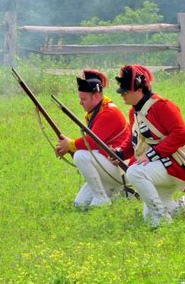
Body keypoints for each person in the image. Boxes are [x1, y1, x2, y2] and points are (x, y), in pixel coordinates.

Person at [113, 64, 185, 226]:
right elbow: (135, 139)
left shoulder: (163, 106)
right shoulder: (134, 111)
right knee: (148, 218)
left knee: (134, 172)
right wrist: (121, 153)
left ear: (139, 89)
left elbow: (180, 134)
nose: (123, 95)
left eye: (126, 91)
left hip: (176, 164)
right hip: (159, 165)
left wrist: (151, 155)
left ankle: (162, 219)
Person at [56, 69, 130, 209]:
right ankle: (113, 192)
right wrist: (68, 146)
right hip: (108, 164)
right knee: (80, 204)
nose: (80, 103)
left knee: (81, 156)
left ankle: (102, 198)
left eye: (83, 99)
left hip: (120, 167)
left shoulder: (109, 112)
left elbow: (91, 141)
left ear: (96, 96)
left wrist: (70, 145)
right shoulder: (97, 110)